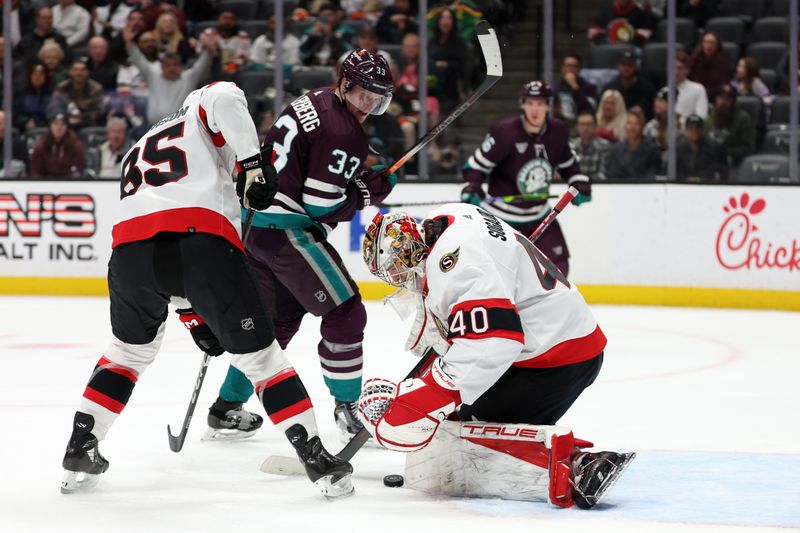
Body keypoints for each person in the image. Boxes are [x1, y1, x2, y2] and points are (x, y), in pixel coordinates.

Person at [59, 81, 354, 499]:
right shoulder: (201, 105)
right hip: (200, 240)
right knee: (261, 358)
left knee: (127, 353)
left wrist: (192, 313)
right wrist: (253, 163)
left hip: (129, 254)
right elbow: (226, 96)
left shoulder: (141, 142)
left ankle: (80, 444)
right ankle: (318, 460)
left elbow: (163, 242)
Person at [356, 206, 635, 509]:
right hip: (549, 340)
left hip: (556, 357)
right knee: (453, 415)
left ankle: (578, 467)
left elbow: (493, 342)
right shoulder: (449, 218)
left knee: (464, 432)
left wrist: (428, 395)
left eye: (398, 268)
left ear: (411, 251)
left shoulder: (456, 262)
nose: (400, 277)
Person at [205, 49, 397, 444]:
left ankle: (225, 407)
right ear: (345, 85)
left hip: (256, 227)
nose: (369, 107)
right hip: (287, 232)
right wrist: (365, 193)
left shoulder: (316, 99)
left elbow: (308, 160)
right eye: (364, 96)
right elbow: (320, 205)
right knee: (345, 311)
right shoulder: (346, 132)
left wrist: (355, 175)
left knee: (273, 327)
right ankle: (348, 407)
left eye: (377, 100)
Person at [461, 81, 592, 277]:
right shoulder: (504, 133)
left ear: (548, 105)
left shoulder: (558, 132)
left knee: (558, 269)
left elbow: (570, 166)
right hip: (502, 219)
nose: (535, 109)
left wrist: (579, 183)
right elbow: (475, 166)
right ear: (522, 104)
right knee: (498, 274)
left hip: (540, 216)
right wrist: (472, 186)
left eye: (540, 103)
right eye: (530, 103)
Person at [124, 23, 213, 125]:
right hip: (153, 127)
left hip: (180, 128)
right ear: (162, 67)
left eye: (175, 65)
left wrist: (209, 49)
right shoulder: (153, 75)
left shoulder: (189, 77)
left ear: (181, 67)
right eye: (168, 65)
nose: (172, 68)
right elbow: (138, 59)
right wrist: (129, 42)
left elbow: (202, 64)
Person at [704, 84, 755, 166]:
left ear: (734, 102)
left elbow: (747, 147)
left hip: (733, 162)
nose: (723, 102)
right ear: (716, 99)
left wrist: (725, 151)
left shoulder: (743, 118)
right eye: (721, 98)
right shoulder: (709, 117)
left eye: (727, 99)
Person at [429, 9, 468, 115]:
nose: (445, 21)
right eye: (443, 18)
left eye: (449, 18)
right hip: (433, 83)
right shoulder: (432, 41)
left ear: (453, 22)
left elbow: (462, 64)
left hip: (451, 83)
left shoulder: (459, 42)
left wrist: (445, 64)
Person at [48, 58, 105, 130]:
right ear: (70, 72)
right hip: (66, 124)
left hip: (88, 124)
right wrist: (67, 118)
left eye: (82, 70)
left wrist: (81, 118)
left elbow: (99, 110)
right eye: (76, 70)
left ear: (87, 72)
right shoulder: (61, 88)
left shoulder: (96, 88)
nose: (79, 73)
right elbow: (53, 107)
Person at [605, 107, 662, 179]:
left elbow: (652, 175)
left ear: (642, 126)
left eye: (636, 124)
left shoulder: (652, 150)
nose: (632, 128)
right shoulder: (616, 150)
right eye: (629, 123)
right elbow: (612, 175)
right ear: (625, 126)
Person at [601, 50, 655, 121]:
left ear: (635, 66)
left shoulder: (647, 88)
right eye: (623, 65)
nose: (626, 68)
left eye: (629, 65)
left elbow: (652, 113)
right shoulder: (610, 88)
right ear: (617, 66)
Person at [30, 113, 86, 178]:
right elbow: (35, 172)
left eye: (63, 124)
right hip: (46, 184)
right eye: (55, 124)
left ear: (67, 127)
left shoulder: (76, 146)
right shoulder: (41, 146)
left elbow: (78, 171)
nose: (59, 128)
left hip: (69, 184)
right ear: (50, 126)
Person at [198, 8, 251, 75]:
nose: (227, 21)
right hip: (210, 68)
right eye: (225, 18)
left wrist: (230, 68)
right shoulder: (208, 33)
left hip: (234, 71)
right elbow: (199, 52)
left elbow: (243, 57)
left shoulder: (243, 36)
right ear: (219, 19)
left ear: (236, 21)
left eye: (231, 19)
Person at [676, 114, 728, 181]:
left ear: (702, 130)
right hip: (681, 186)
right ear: (685, 130)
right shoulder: (678, 149)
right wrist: (686, 179)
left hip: (707, 186)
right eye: (691, 128)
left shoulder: (714, 148)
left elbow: (718, 169)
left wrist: (700, 178)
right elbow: (675, 170)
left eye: (697, 128)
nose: (694, 131)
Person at [555, 54, 597, 124]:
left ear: (579, 70)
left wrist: (575, 87)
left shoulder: (589, 88)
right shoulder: (556, 88)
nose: (571, 69)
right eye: (568, 66)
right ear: (562, 68)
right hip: (561, 124)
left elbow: (590, 110)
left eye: (574, 66)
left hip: (581, 125)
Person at [688, 31, 730, 101]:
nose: (709, 45)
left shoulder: (723, 63)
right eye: (706, 42)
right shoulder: (693, 61)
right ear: (702, 44)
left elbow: (722, 84)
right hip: (694, 96)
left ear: (717, 46)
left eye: (712, 43)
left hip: (714, 98)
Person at [589, 0, 653, 45]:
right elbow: (594, 32)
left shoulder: (640, 13)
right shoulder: (605, 13)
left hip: (633, 49)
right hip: (609, 49)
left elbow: (646, 33)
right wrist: (605, 43)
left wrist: (631, 41)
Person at [570, 111, 611, 181]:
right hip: (573, 187)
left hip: (597, 187)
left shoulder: (605, 146)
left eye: (589, 124)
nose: (585, 128)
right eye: (582, 124)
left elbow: (603, 174)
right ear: (577, 127)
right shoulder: (571, 146)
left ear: (595, 126)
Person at [16, 63, 53, 131]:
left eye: (41, 74)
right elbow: (16, 114)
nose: (37, 77)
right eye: (35, 74)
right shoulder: (21, 94)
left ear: (46, 77)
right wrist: (26, 121)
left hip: (48, 129)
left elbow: (54, 113)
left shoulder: (52, 95)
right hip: (25, 129)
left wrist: (39, 122)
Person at [676, 51, 708, 123]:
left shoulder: (698, 89)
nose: (676, 72)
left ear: (687, 70)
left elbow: (701, 117)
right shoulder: (665, 90)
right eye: (673, 68)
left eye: (679, 68)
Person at [0, 109, 29, 177]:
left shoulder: (17, 144)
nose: (2, 127)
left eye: (5, 123)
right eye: (0, 123)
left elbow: (21, 168)